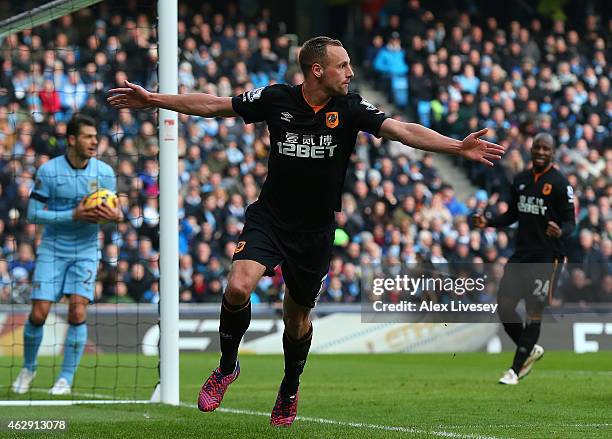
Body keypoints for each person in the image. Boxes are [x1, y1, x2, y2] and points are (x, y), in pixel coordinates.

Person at [108, 36, 505, 426]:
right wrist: (154, 100)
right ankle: (227, 367)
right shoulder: (277, 98)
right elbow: (214, 105)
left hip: (314, 233)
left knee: (296, 320)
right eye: (343, 66)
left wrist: (457, 147)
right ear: (318, 70)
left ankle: (290, 386)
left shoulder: (350, 109)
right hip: (270, 218)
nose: (350, 73)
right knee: (237, 287)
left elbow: (402, 130)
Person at [11, 114, 122, 395]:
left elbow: (116, 212)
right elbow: (34, 214)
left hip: (86, 251)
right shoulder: (49, 171)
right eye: (88, 137)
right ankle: (29, 368)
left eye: (96, 137)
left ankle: (65, 379)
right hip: (53, 249)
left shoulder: (104, 173)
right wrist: (73, 214)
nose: (94, 141)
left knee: (77, 310)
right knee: (39, 312)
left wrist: (114, 216)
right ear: (72, 139)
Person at [473, 132, 575, 385]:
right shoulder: (520, 180)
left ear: (553, 152)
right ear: (531, 150)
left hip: (547, 258)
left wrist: (560, 231)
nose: (541, 152)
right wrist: (489, 222)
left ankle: (515, 370)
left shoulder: (561, 184)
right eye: (537, 147)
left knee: (534, 311)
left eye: (546, 148)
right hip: (521, 255)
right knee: (504, 307)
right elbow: (511, 215)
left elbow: (571, 222)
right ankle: (528, 349)